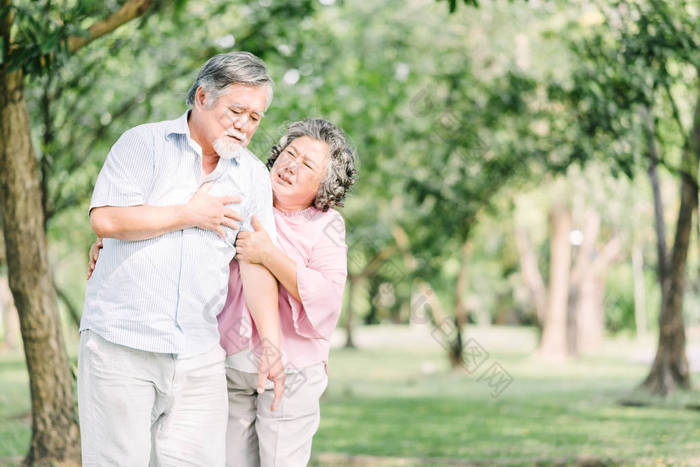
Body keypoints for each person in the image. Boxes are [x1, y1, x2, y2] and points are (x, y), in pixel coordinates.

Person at [88, 118, 357, 466]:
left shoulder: (326, 226)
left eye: (307, 165)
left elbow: (325, 297)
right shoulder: (236, 196)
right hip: (229, 362)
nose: (291, 166)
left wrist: (268, 254)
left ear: (325, 184)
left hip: (291, 369)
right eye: (289, 153)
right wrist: (108, 246)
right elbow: (182, 243)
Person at [79, 51, 284, 467]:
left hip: (199, 355)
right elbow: (106, 218)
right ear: (203, 96)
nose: (244, 125)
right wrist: (188, 214)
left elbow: (255, 262)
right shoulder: (143, 143)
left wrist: (272, 345)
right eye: (236, 111)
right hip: (121, 346)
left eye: (255, 117)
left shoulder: (253, 177)